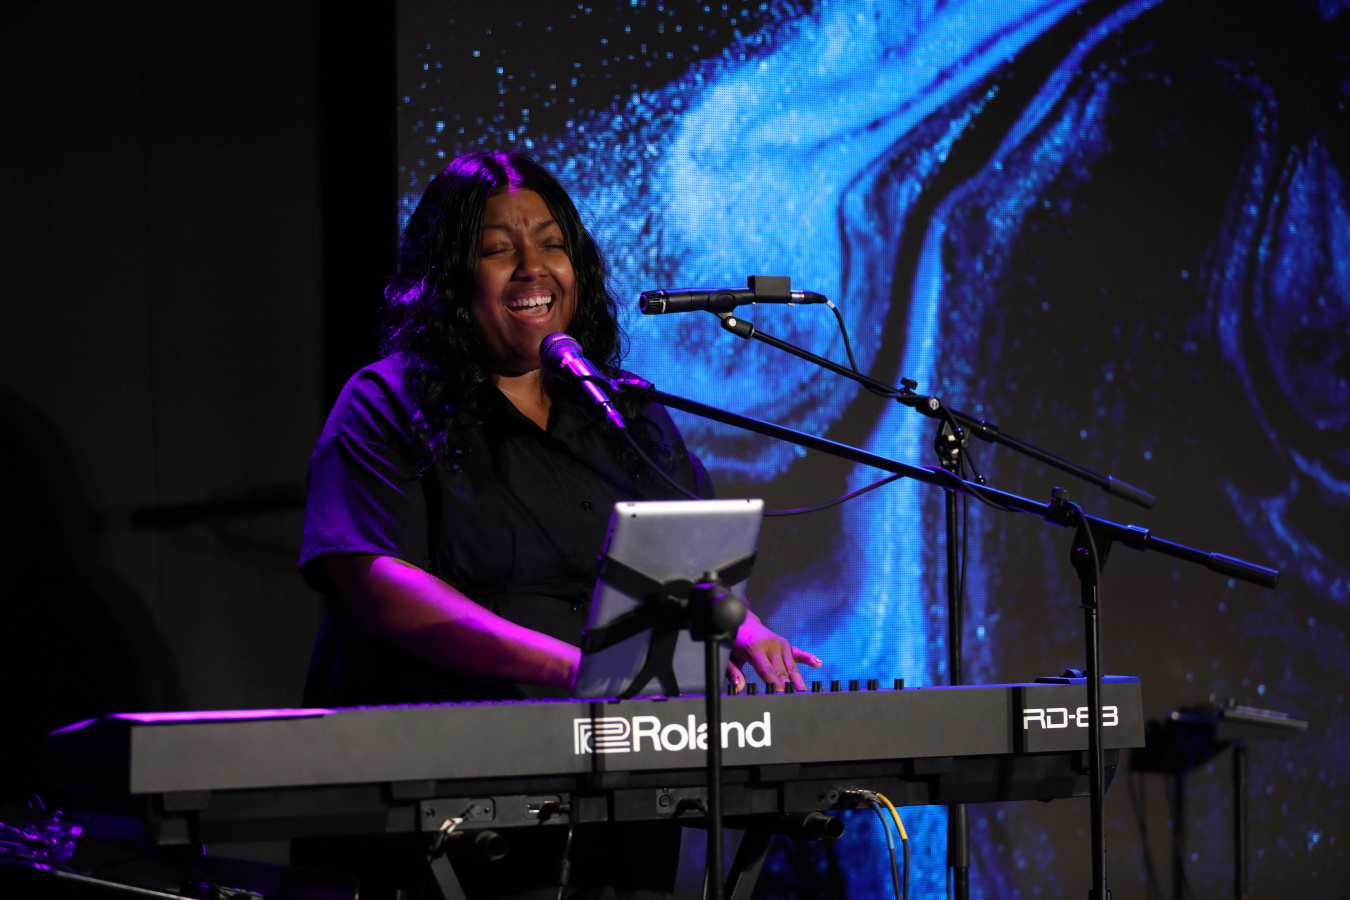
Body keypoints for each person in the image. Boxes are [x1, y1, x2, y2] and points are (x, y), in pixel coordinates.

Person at [295, 150, 821, 898]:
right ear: (449, 277)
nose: (533, 268)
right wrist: (571, 671)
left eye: (551, 244)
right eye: (497, 249)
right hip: (442, 787)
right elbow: (379, 585)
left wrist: (749, 631)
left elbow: (686, 556)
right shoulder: (385, 403)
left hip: (623, 776)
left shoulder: (624, 409)